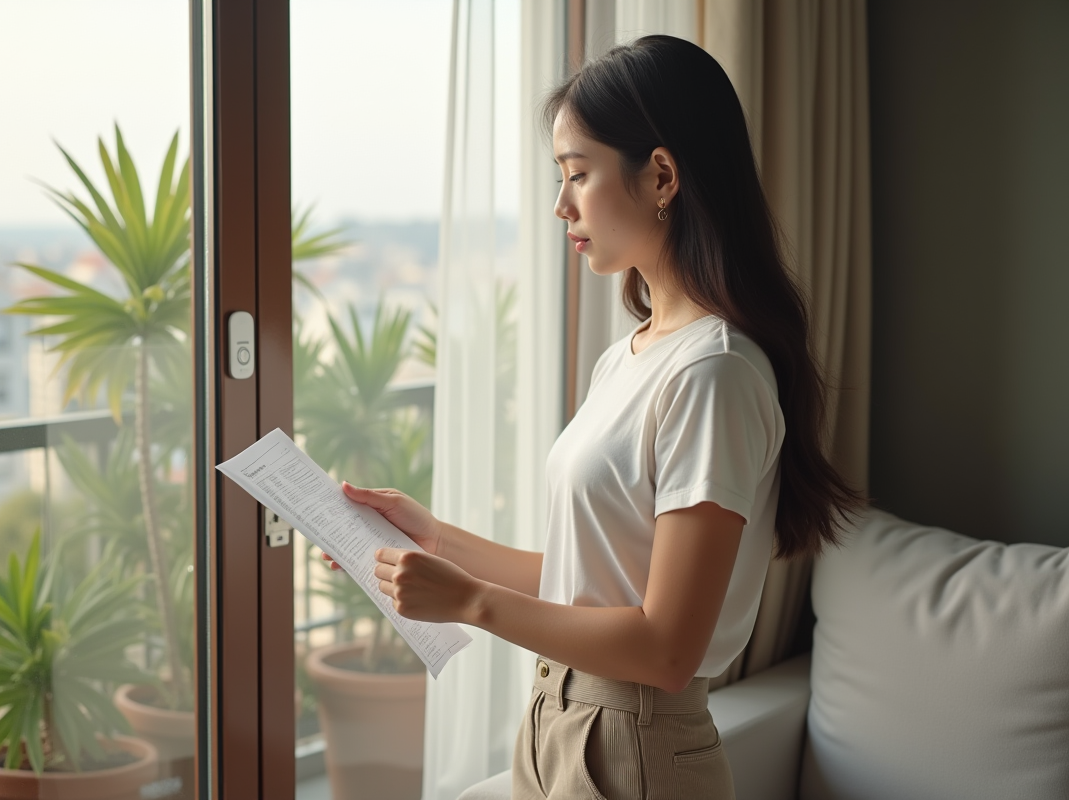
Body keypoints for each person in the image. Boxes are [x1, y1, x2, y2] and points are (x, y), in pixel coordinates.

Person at [321, 34, 861, 800]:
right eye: (560, 177)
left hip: (636, 744)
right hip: (558, 722)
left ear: (662, 176)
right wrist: (436, 540)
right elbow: (590, 580)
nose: (561, 205)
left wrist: (471, 602)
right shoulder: (631, 357)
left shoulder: (714, 372)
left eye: (578, 173)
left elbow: (668, 648)